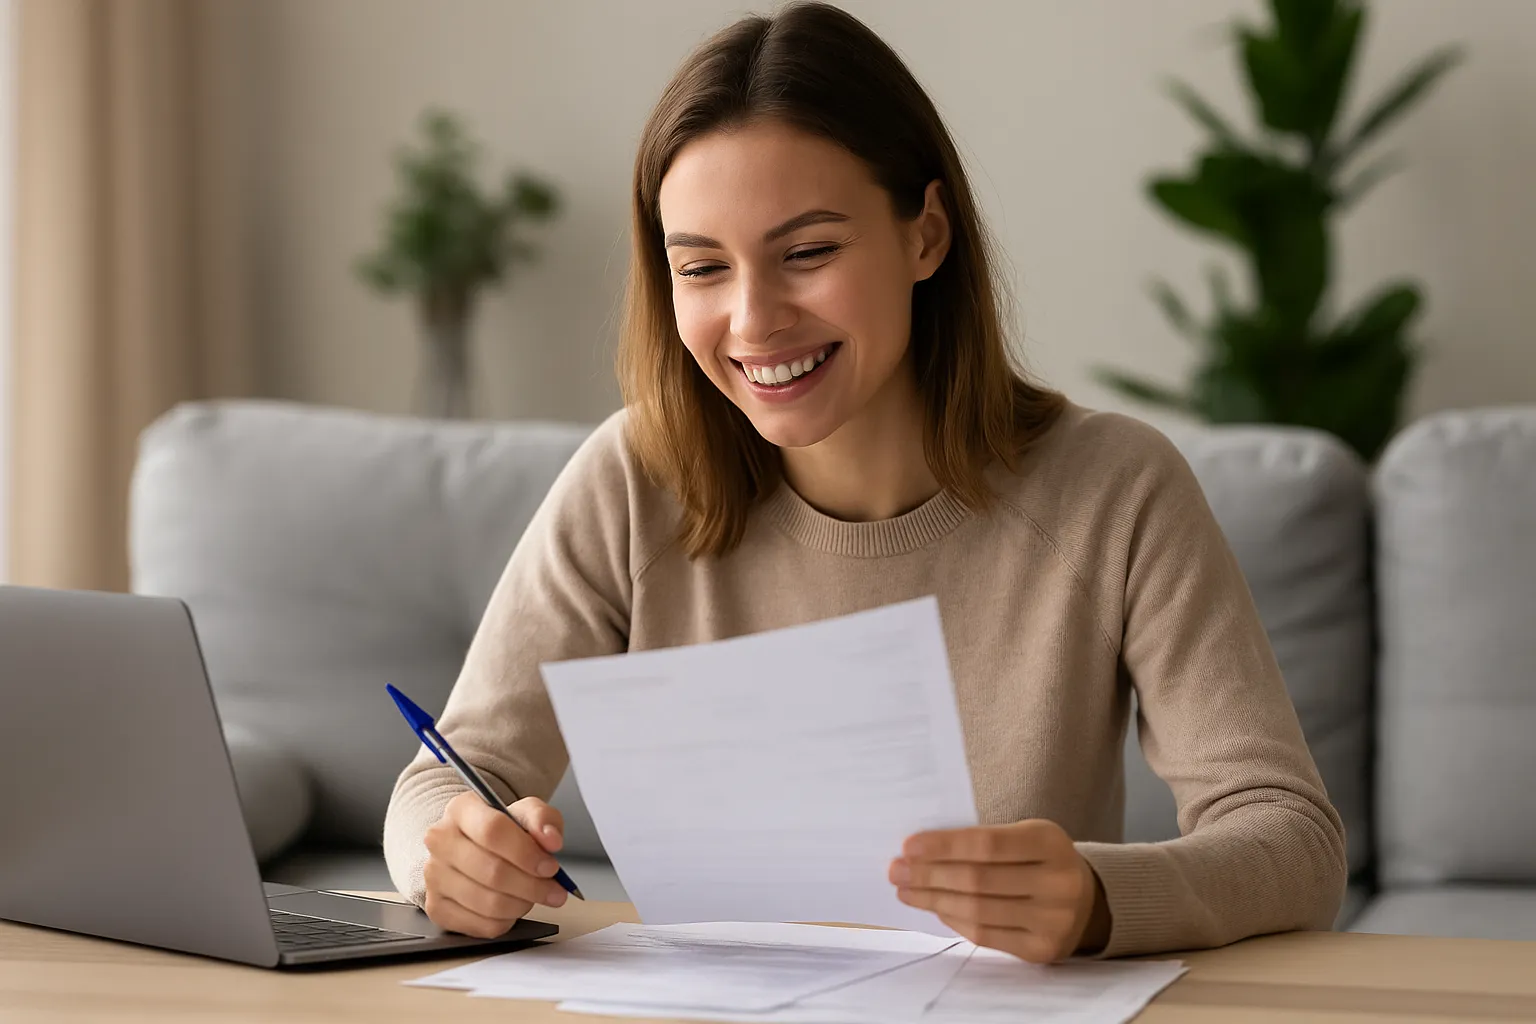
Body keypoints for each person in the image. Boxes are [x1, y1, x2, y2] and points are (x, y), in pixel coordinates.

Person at [383, 1, 1346, 962]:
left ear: (926, 235)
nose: (753, 321)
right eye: (703, 268)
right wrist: (451, 861)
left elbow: (1289, 836)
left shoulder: (1116, 491)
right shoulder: (634, 479)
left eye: (808, 252)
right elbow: (448, 779)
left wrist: (1099, 899)